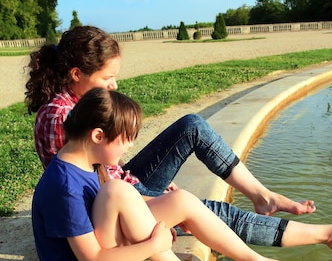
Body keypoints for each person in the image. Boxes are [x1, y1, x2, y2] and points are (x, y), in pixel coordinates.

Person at [31, 88, 332, 261]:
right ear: (96, 136)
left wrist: (166, 206)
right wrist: (154, 246)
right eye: (123, 143)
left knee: (181, 200)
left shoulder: (88, 161)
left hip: (106, 244)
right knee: (118, 192)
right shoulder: (63, 185)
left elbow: (117, 210)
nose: (125, 152)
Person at [25, 25, 315, 248]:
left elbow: (107, 168)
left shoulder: (78, 104)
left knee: (192, 126)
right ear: (77, 74)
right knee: (202, 209)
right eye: (106, 77)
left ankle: (262, 197)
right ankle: (322, 235)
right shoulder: (58, 116)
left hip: (117, 188)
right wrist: (156, 201)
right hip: (108, 216)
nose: (114, 85)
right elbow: (86, 189)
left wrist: (150, 185)